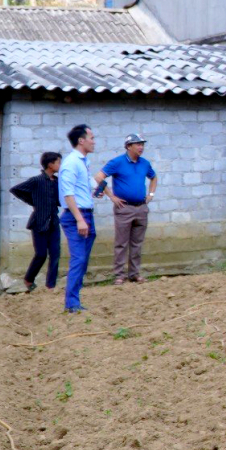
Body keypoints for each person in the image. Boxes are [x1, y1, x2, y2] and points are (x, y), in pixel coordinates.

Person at [100, 132, 158, 284]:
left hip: (141, 208)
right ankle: (119, 275)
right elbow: (99, 177)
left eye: (142, 144)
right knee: (121, 243)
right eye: (138, 144)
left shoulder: (144, 163)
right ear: (128, 146)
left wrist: (151, 194)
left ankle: (134, 273)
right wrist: (111, 196)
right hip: (124, 208)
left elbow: (153, 177)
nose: (141, 147)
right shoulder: (117, 162)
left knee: (137, 243)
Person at [57, 123, 101, 313]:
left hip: (85, 214)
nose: (94, 142)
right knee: (79, 259)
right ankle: (72, 304)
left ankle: (74, 300)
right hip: (78, 216)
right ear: (81, 141)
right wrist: (80, 219)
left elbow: (81, 187)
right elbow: (68, 194)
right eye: (91, 138)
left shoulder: (83, 161)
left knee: (82, 260)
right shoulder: (71, 162)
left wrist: (95, 192)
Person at [9, 152, 62, 293]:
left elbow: (60, 199)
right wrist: (33, 201)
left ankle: (51, 286)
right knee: (41, 254)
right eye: (58, 163)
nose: (60, 165)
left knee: (55, 254)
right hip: (39, 222)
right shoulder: (37, 180)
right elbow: (16, 189)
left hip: (53, 223)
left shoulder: (57, 182)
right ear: (50, 165)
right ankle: (28, 279)